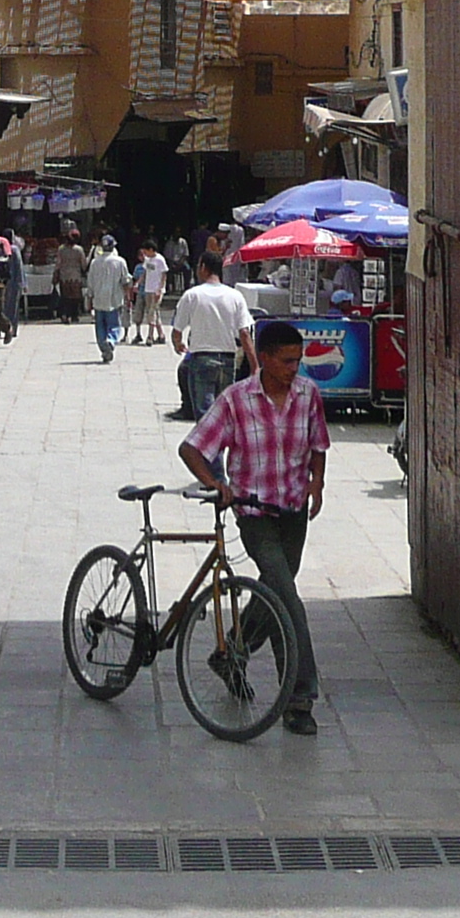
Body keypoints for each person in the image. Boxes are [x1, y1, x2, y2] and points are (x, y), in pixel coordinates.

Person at [178, 319, 331, 736]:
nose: (293, 369)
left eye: (297, 361)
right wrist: (215, 484)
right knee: (289, 602)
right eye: (285, 361)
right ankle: (300, 698)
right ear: (262, 359)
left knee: (273, 593)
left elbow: (319, 445)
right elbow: (191, 447)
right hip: (254, 515)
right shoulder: (235, 400)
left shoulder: (308, 395)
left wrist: (317, 482)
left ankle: (233, 652)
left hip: (293, 513)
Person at [168, 266, 254, 421]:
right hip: (228, 359)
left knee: (205, 414)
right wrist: (255, 366)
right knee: (224, 412)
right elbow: (245, 333)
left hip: (201, 359)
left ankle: (209, 443)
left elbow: (177, 329)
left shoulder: (192, 295)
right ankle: (219, 443)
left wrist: (178, 343)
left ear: (202, 267)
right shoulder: (235, 296)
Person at [85, 235, 133, 363]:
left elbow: (90, 282)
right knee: (113, 325)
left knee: (100, 325)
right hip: (114, 299)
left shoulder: (95, 262)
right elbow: (125, 281)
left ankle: (103, 347)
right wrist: (128, 296)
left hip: (98, 300)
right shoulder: (120, 262)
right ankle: (111, 341)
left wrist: (89, 298)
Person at [135, 242, 170, 346]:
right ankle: (161, 335)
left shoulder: (160, 260)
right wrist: (138, 283)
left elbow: (164, 275)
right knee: (154, 312)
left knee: (152, 312)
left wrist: (159, 289)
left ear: (151, 249)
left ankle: (150, 336)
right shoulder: (147, 260)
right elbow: (145, 273)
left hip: (156, 290)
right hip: (148, 289)